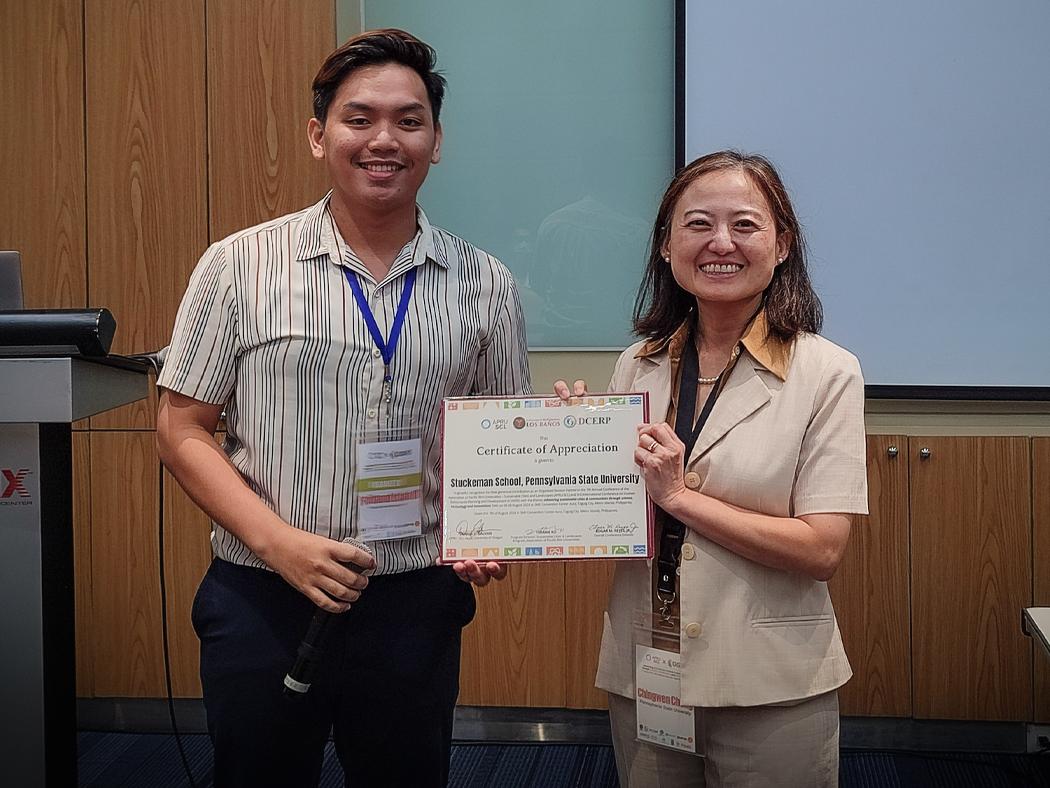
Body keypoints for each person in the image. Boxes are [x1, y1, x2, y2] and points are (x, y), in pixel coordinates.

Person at [156, 29, 528, 788]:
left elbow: (498, 440)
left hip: (413, 601)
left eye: (409, 120)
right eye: (360, 119)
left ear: (437, 140)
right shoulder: (238, 265)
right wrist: (280, 544)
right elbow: (181, 428)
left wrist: (492, 525)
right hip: (262, 592)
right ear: (318, 134)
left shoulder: (486, 282)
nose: (384, 140)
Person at [556, 150, 867, 787]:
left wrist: (679, 497)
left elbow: (821, 549)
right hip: (649, 665)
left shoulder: (828, 372)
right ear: (667, 247)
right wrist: (571, 448)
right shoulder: (637, 365)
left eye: (746, 225)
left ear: (782, 245)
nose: (720, 243)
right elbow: (618, 518)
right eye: (697, 224)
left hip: (771, 681)